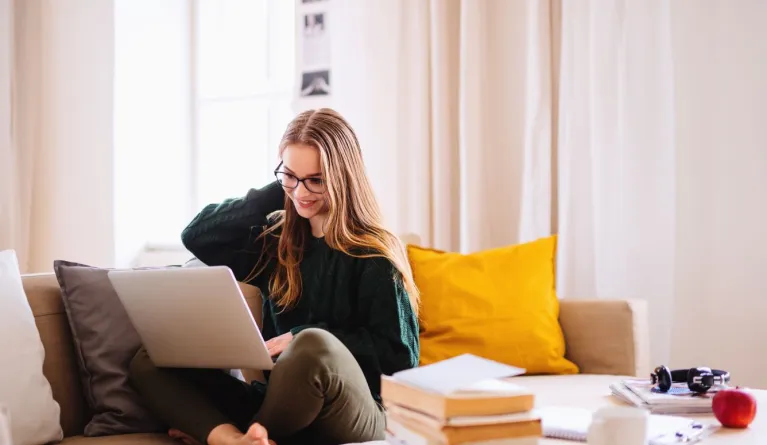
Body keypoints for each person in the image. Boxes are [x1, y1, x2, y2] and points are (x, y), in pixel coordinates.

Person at [128, 108, 421, 445]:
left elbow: (401, 359)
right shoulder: (275, 242)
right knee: (152, 357)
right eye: (290, 176)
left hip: (357, 411)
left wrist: (299, 337)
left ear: (343, 177)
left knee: (313, 345)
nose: (301, 192)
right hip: (280, 403)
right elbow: (197, 235)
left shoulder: (375, 253)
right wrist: (278, 189)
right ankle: (233, 440)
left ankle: (250, 434)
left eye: (316, 180)